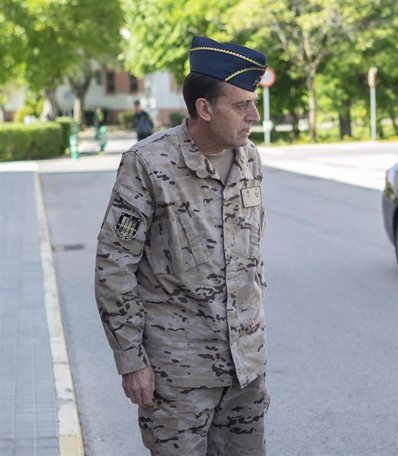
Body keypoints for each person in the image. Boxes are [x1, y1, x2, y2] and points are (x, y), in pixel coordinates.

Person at [95, 36, 269, 456]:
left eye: (254, 102)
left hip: (246, 368)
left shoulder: (250, 160)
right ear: (204, 109)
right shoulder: (148, 164)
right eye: (241, 105)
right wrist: (132, 361)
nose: (255, 115)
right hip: (177, 374)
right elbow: (113, 268)